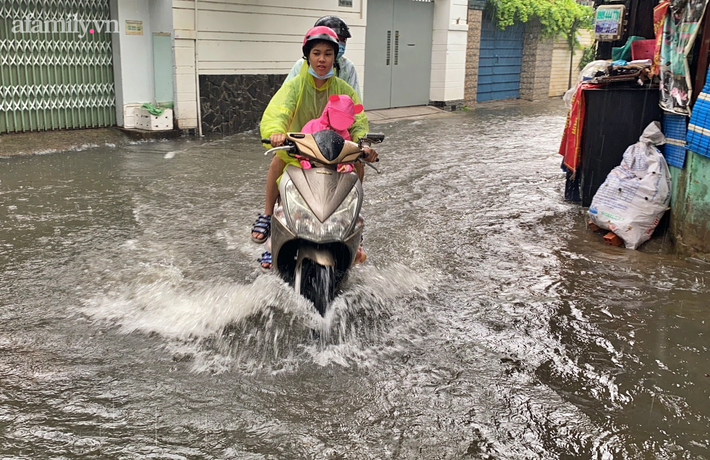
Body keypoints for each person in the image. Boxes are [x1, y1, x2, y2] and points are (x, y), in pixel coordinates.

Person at [252, 26, 378, 269]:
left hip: (333, 152)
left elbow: (358, 122)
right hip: (297, 149)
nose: (322, 59)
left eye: (328, 54)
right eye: (317, 53)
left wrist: (363, 144)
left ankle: (351, 223)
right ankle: (269, 217)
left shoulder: (344, 89)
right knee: (277, 162)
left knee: (357, 165)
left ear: (335, 57)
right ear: (307, 56)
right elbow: (278, 111)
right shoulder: (295, 86)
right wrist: (276, 134)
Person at [284, 16, 360, 100]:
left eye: (343, 40)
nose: (322, 60)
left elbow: (355, 101)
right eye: (316, 53)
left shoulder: (347, 66)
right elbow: (285, 97)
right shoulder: (301, 65)